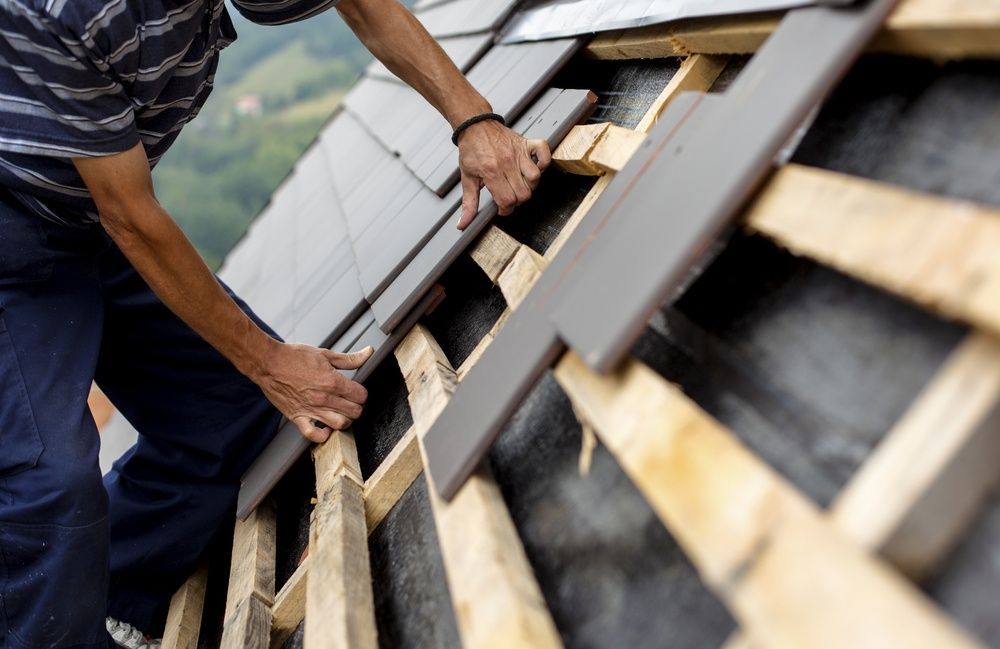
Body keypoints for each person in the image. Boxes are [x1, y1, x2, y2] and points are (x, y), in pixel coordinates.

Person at [0, 0, 550, 646]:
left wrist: (473, 119)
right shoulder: (65, 7)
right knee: (50, 490)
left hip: (87, 214)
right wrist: (266, 358)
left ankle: (108, 602)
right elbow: (131, 215)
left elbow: (365, 5)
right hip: (17, 230)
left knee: (232, 414)